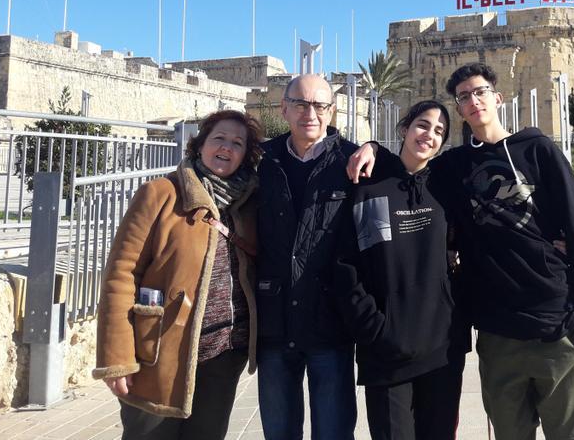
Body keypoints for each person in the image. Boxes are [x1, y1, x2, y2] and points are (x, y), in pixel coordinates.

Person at [349, 62, 574, 440]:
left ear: (497, 98)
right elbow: (411, 164)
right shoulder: (453, 166)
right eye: (464, 96)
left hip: (558, 324)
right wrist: (371, 147)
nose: (473, 100)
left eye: (480, 91)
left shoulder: (539, 151)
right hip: (497, 332)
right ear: (460, 108)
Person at [93, 109, 262, 440]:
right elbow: (121, 274)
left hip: (224, 354)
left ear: (245, 155)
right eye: (219, 139)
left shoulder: (248, 204)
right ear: (199, 145)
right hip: (160, 353)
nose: (226, 148)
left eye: (237, 143)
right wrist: (117, 359)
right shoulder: (160, 194)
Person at [334, 100, 470, 440]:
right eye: (423, 125)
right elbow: (346, 263)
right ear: (404, 129)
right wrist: (373, 327)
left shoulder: (446, 185)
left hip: (442, 346)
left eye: (439, 131)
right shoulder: (368, 183)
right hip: (386, 350)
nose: (429, 135)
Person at [255, 74, 358, 440]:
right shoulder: (259, 162)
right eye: (300, 104)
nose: (309, 113)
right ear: (284, 108)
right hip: (274, 323)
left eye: (319, 105)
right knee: (279, 432)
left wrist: (374, 146)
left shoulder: (353, 161)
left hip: (330, 323)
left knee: (333, 432)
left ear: (332, 111)